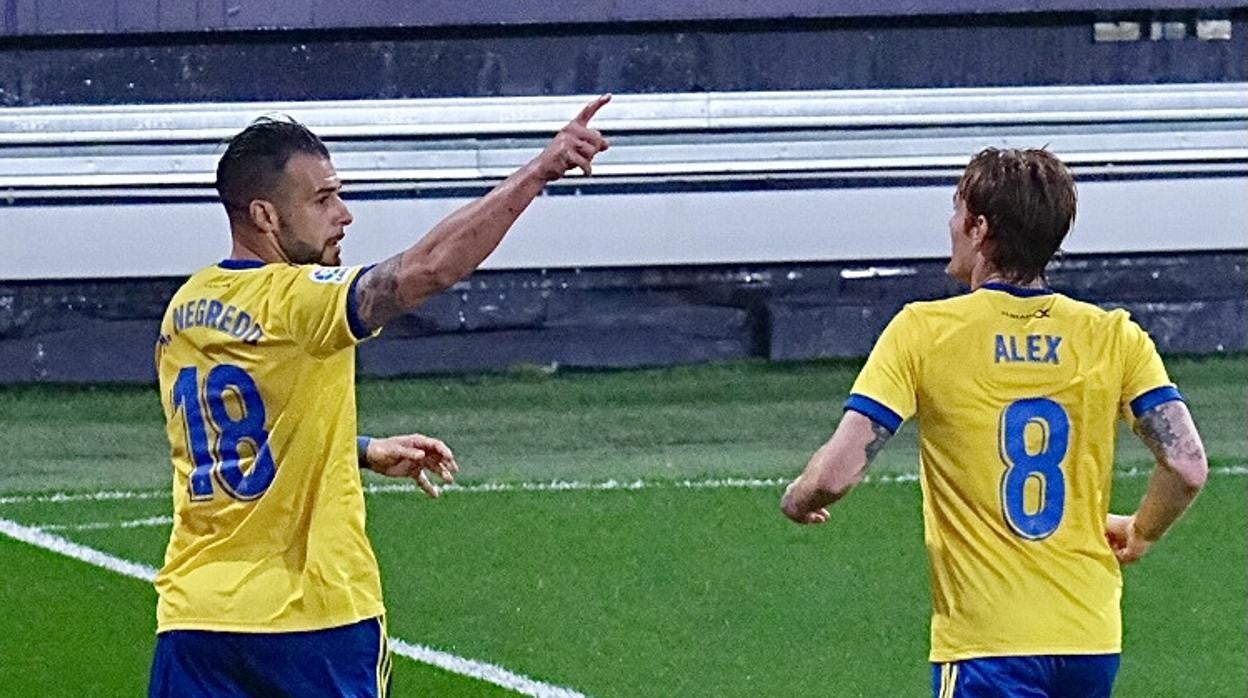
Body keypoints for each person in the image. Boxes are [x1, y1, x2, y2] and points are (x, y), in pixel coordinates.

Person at [149, 95, 612, 697]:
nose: (344, 215)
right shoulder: (294, 298)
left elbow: (238, 431)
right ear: (265, 215)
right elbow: (425, 271)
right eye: (322, 199)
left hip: (197, 619)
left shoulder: (186, 308)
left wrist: (361, 449)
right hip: (312, 618)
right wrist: (538, 171)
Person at [780, 147, 1208, 697]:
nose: (951, 225)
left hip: (989, 646)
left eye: (958, 212)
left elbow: (836, 473)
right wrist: (1143, 530)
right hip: (1089, 641)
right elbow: (1187, 464)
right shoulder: (1114, 336)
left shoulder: (923, 331)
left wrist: (799, 498)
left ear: (981, 228)